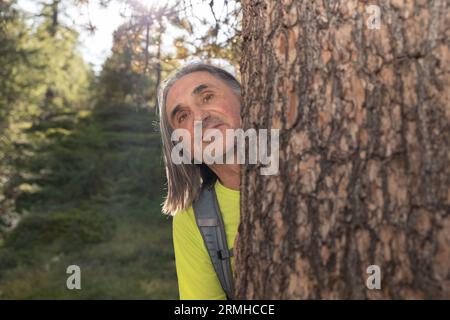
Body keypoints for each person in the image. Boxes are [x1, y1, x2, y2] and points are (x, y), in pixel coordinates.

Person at [157, 62, 241, 299]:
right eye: (183, 116)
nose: (200, 118)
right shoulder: (194, 218)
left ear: (244, 97)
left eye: (207, 97)